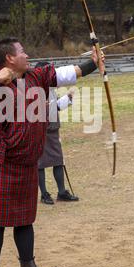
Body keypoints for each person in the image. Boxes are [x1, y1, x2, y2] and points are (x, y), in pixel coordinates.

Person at [0, 37, 101, 267]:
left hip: (27, 162)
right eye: (22, 51)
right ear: (9, 58)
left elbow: (64, 73)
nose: (27, 54)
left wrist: (92, 63)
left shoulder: (36, 76)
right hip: (1, 163)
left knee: (25, 219)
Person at [35, 61, 79, 205]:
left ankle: (61, 191)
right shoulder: (32, 89)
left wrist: (68, 99)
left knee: (58, 160)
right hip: (39, 129)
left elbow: (55, 107)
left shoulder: (51, 87)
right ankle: (44, 194)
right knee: (40, 163)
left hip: (53, 128)